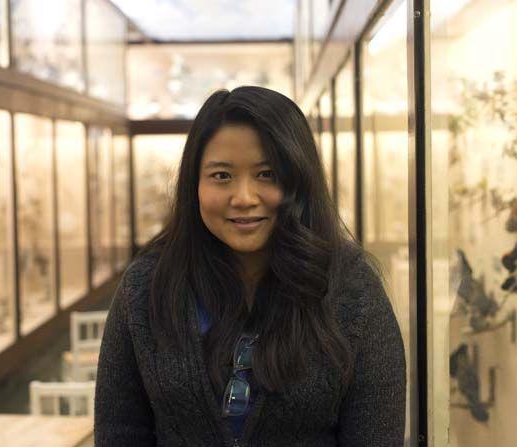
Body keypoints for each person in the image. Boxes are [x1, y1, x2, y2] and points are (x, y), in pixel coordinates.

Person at [94, 86, 406, 446]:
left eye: (267, 174)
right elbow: (120, 431)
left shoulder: (351, 289)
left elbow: (376, 435)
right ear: (194, 184)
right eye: (221, 176)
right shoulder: (147, 286)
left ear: (299, 179)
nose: (243, 198)